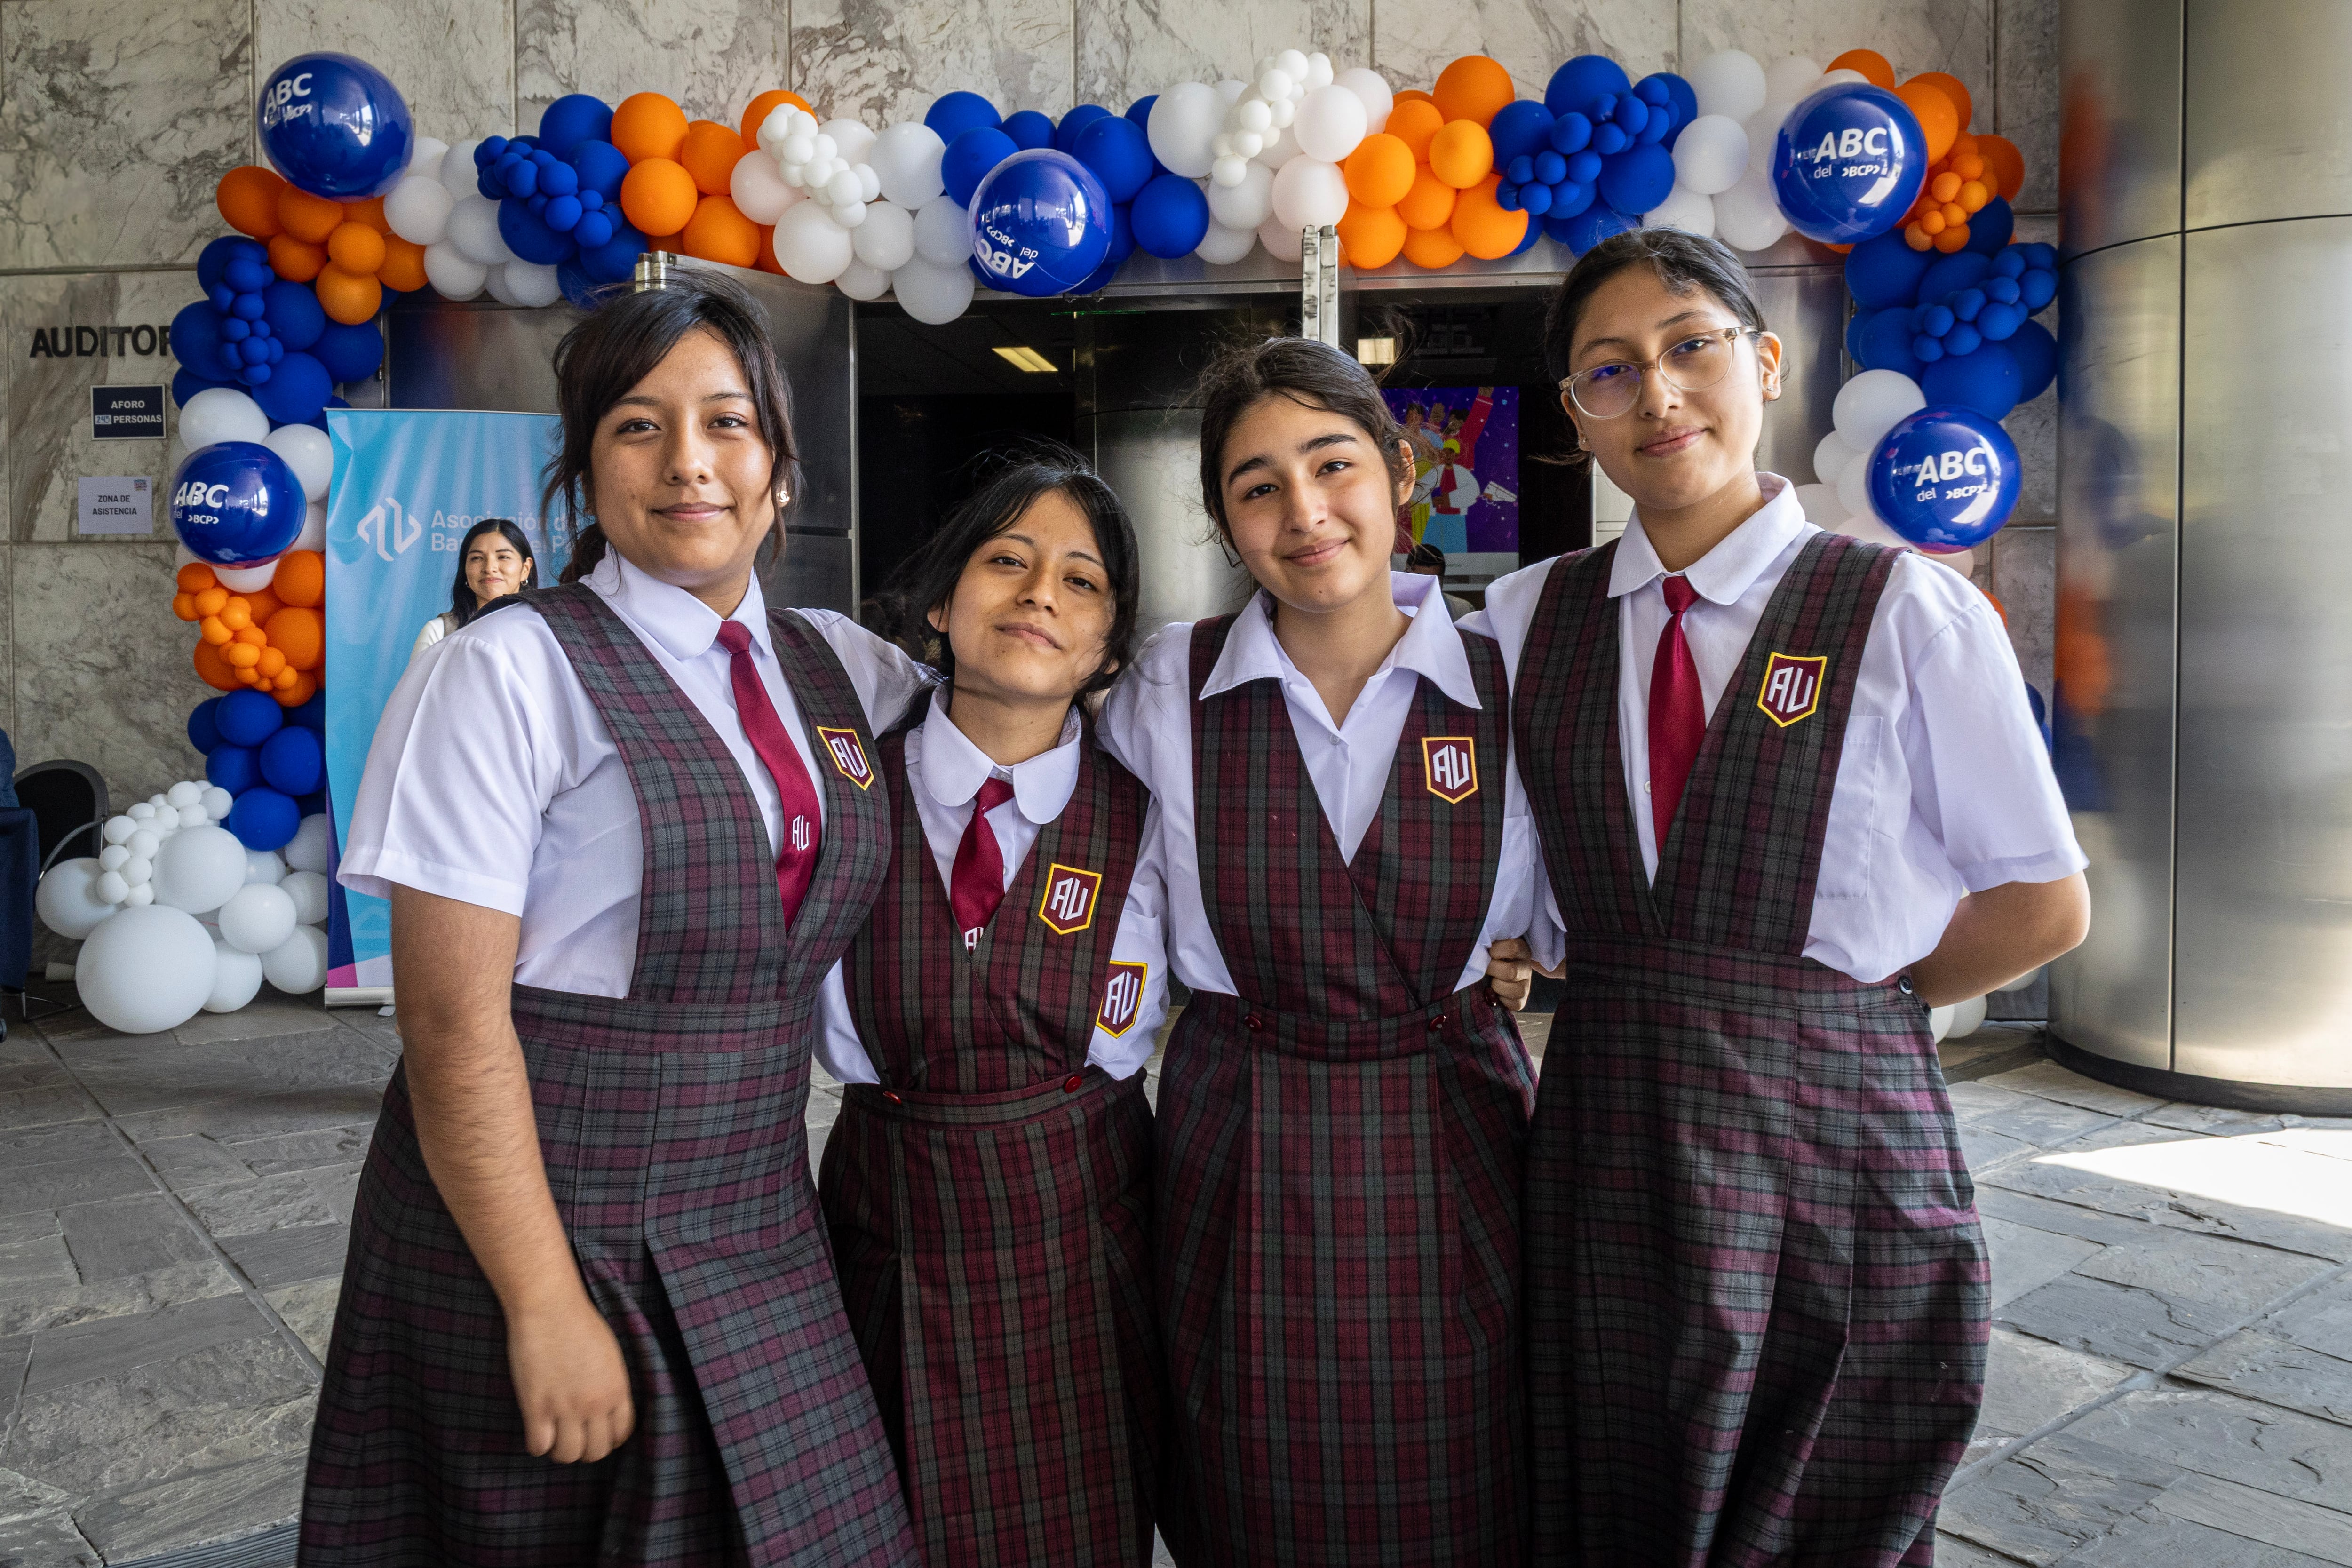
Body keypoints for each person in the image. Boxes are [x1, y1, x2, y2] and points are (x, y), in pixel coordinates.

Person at [1470, 228, 2090, 1566]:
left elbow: (2041, 902)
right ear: (1578, 417)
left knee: (1826, 1491)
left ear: (1764, 361)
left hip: (1837, 1130)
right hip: (1613, 1125)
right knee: (1616, 1477)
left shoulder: (1909, 608)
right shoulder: (1526, 621)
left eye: (1690, 346)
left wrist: (1839, 1012)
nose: (1661, 393)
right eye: (1610, 370)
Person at [305, 271, 927, 1566]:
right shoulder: (508, 669)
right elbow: (448, 1017)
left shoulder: (841, 665)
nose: (688, 461)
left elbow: (1026, 726)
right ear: (587, 473)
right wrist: (539, 1299)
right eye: (638, 426)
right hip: (544, 1214)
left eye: (727, 423)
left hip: (760, 1214)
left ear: (780, 466)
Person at [1100, 335, 1541, 1566]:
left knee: (1469, 1467)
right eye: (1256, 486)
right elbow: (1119, 930)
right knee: (1251, 1476)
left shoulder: (1511, 683)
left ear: (1402, 473)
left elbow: (1571, 910)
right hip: (1241, 1136)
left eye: (1333, 463)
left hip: (1453, 1139)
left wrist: (1509, 963)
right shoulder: (1165, 689)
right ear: (1225, 522)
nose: (1305, 512)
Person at [815, 443, 1172, 1566]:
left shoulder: (1155, 814)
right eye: (1006, 560)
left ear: (1110, 642)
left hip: (1085, 1244)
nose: (1038, 595)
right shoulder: (840, 789)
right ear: (939, 601)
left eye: (1081, 581)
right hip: (887, 1237)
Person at [410, 517, 536, 662]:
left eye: (503, 557)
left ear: (526, 569)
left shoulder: (545, 629)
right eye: (477, 558)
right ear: (465, 569)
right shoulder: (439, 632)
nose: (489, 568)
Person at [1405, 540, 1473, 621]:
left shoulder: (1462, 610)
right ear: (1407, 575)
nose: (1428, 587)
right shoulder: (1394, 609)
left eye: (1435, 581)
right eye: (1421, 579)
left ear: (1443, 579)